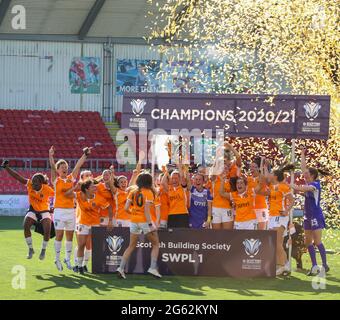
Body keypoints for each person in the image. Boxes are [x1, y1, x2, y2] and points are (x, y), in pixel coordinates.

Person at [49, 146, 91, 271]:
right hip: (59, 211)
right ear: (58, 170)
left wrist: (85, 155)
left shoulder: (70, 178)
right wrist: (51, 155)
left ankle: (67, 259)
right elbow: (51, 167)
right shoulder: (55, 180)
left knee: (69, 236)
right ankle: (57, 259)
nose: (65, 169)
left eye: (66, 167)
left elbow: (78, 166)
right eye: (62, 167)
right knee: (59, 235)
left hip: (71, 211)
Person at [1, 160, 54, 260]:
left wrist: (54, 207)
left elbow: (58, 196)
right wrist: (7, 168)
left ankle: (43, 250)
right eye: (32, 181)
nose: (33, 183)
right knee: (26, 226)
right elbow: (17, 176)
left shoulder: (47, 189)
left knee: (47, 230)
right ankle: (30, 249)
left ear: (41, 183)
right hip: (33, 210)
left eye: (35, 182)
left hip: (44, 211)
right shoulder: (29, 183)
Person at [292, 147, 330, 275]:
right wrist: (302, 154)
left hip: (316, 216)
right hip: (307, 216)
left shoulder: (315, 185)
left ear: (312, 175)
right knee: (307, 242)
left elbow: (305, 189)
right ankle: (314, 266)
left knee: (317, 241)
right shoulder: (309, 181)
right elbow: (303, 168)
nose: (304, 174)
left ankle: (325, 265)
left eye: (307, 173)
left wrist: (292, 186)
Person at [116, 172, 161, 279]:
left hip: (134, 221)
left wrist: (134, 213)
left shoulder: (133, 191)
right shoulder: (149, 193)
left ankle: (121, 268)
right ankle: (152, 268)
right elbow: (146, 211)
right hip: (145, 221)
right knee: (155, 245)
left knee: (131, 246)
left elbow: (126, 208)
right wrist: (151, 224)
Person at [261, 161, 295, 276]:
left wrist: (286, 211)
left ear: (275, 176)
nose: (269, 175)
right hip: (272, 216)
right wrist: (265, 166)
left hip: (280, 217)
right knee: (274, 243)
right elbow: (266, 177)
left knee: (277, 243)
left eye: (271, 173)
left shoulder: (283, 187)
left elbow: (292, 201)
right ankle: (286, 264)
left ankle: (280, 267)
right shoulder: (271, 186)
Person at [74, 179, 114, 274]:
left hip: (95, 224)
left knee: (90, 246)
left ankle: (84, 265)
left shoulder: (99, 198)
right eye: (92, 186)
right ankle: (79, 266)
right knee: (81, 245)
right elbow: (66, 194)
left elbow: (109, 207)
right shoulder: (79, 195)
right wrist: (75, 187)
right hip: (82, 223)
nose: (95, 187)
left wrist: (110, 221)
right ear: (87, 189)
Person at [161, 162, 191, 228]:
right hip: (171, 214)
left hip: (182, 214)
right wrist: (167, 171)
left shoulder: (183, 188)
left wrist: (179, 166)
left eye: (176, 178)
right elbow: (163, 182)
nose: (174, 180)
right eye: (173, 178)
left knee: (183, 234)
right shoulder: (169, 188)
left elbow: (182, 177)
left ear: (179, 179)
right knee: (173, 235)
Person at [247, 157, 269, 230]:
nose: (251, 168)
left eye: (254, 167)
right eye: (250, 167)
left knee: (261, 232)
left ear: (258, 168)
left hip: (261, 207)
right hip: (250, 208)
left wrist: (263, 163)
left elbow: (265, 177)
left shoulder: (262, 178)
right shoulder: (248, 179)